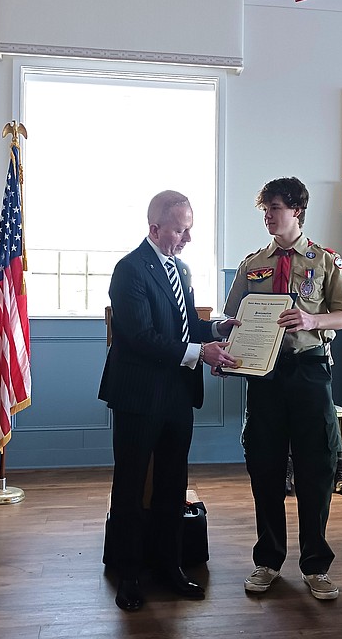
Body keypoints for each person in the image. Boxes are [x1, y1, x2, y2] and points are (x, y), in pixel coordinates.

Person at [99, 190, 239, 612]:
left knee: (172, 486)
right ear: (155, 228)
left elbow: (183, 323)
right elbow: (140, 336)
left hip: (178, 396)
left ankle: (170, 567)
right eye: (181, 230)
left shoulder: (181, 269)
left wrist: (215, 329)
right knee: (129, 487)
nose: (187, 238)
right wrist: (201, 352)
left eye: (190, 229)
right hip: (139, 397)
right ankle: (129, 575)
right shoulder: (129, 270)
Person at [223, 177, 342, 601]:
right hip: (264, 375)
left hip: (309, 371)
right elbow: (231, 317)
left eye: (276, 208)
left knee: (316, 470)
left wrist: (312, 320)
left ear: (297, 210)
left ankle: (316, 565)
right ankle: (267, 560)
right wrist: (229, 341)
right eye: (265, 209)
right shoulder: (252, 264)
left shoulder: (324, 261)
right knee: (264, 468)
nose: (269, 216)